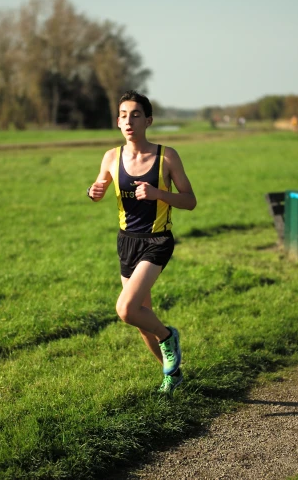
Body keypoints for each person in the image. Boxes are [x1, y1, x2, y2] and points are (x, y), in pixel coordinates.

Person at [87, 90, 197, 396]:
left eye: (135, 114)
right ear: (118, 122)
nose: (128, 120)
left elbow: (190, 201)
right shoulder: (111, 157)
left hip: (157, 241)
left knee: (125, 308)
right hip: (127, 243)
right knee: (140, 318)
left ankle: (169, 337)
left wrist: (159, 193)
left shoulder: (167, 156)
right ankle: (172, 374)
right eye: (123, 115)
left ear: (148, 120)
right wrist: (92, 192)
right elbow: (99, 185)